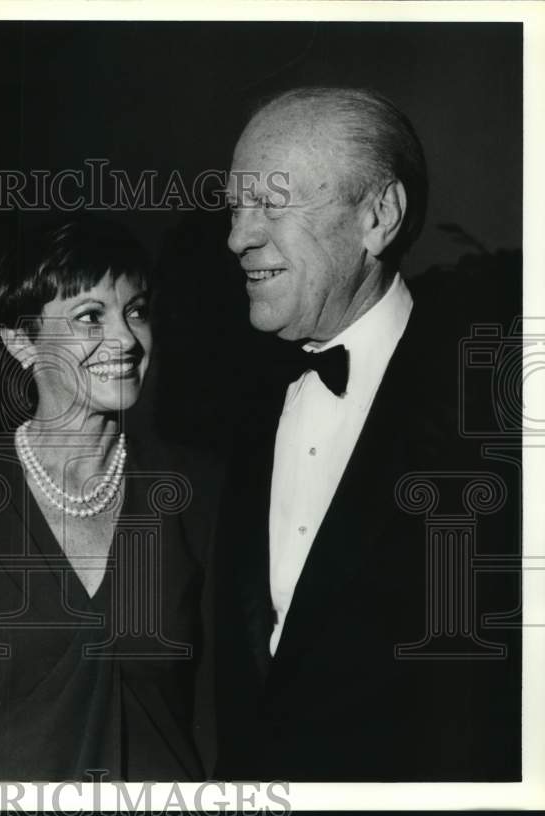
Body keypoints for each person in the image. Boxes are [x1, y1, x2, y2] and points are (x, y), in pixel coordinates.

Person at [213, 87, 521, 781]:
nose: (238, 237)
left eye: (272, 204)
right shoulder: (237, 404)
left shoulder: (497, 425)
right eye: (236, 206)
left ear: (378, 218)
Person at [0, 215, 221, 781]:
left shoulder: (198, 489)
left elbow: (219, 712)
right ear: (22, 343)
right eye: (90, 317)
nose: (125, 339)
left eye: (136, 310)